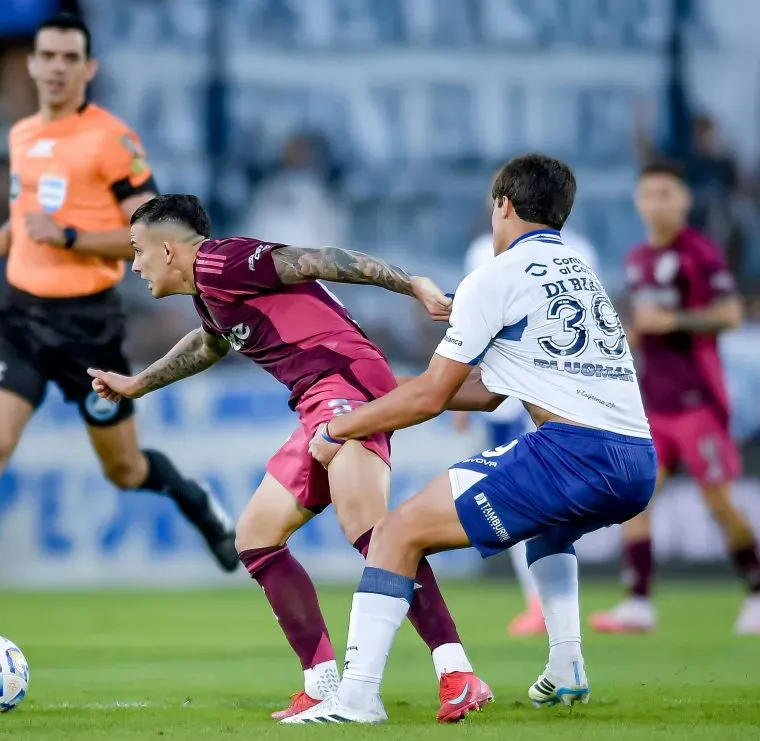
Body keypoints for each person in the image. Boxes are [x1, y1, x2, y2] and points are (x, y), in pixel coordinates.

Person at [0, 14, 237, 659]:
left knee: (125, 469)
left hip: (89, 329)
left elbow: (152, 233)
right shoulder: (23, 134)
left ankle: (195, 500)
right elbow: (24, 223)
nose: (55, 66)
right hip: (22, 323)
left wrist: (74, 238)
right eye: (46, 55)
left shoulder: (111, 140)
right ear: (32, 65)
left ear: (88, 68)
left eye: (68, 57)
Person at [89, 194, 493, 723]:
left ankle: (456, 673)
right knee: (256, 536)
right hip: (319, 399)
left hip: (343, 384)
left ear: (167, 250)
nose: (135, 265)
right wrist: (138, 384)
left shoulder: (223, 262)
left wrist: (412, 284)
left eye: (138, 251)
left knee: (372, 530)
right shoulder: (210, 294)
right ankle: (322, 683)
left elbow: (318, 259)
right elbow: (209, 346)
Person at [286, 154, 657, 725]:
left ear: (502, 205)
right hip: (636, 460)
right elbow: (485, 393)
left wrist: (340, 425)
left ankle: (356, 697)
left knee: (398, 532)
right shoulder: (581, 274)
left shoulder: (496, 275)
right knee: (549, 527)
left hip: (574, 452)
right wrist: (379, 390)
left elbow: (432, 396)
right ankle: (567, 664)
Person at [590, 161, 760, 635]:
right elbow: (647, 325)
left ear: (684, 200)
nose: (656, 204)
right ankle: (639, 604)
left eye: (666, 194)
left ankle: (756, 590)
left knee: (719, 502)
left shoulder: (698, 253)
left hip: (698, 402)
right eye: (648, 194)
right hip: (654, 405)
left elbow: (730, 314)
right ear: (638, 201)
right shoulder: (638, 258)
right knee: (636, 498)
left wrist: (676, 321)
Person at [456, 227, 600, 637]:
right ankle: (538, 603)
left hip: (544, 396)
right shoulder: (482, 249)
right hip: (497, 396)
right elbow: (474, 325)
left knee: (536, 505)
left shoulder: (578, 249)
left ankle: (547, 605)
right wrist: (460, 392)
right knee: (519, 505)